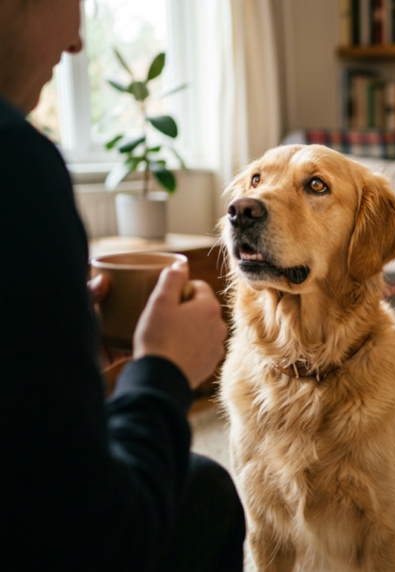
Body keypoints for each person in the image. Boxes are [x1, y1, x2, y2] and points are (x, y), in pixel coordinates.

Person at [0, 1, 245, 570]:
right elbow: (96, 537)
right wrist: (163, 372)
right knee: (204, 490)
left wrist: (54, 342)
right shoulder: (16, 162)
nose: (79, 41)